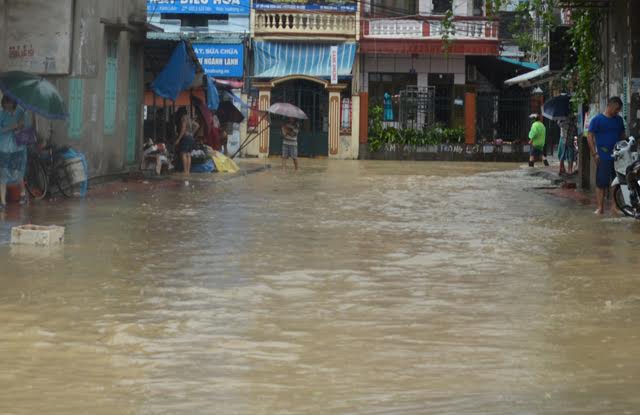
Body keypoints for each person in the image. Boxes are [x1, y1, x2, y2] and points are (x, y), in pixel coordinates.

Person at [588, 96, 626, 215]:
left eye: (619, 110)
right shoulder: (597, 120)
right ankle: (600, 208)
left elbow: (622, 136)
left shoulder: (619, 120)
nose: (617, 111)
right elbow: (590, 136)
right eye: (617, 109)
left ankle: (614, 207)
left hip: (617, 157)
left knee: (616, 182)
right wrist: (595, 154)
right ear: (610, 106)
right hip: (603, 157)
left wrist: (624, 151)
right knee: (601, 183)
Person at [0, 96, 29, 210]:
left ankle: (23, 193)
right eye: (6, 102)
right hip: (3, 148)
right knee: (2, 175)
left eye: (10, 102)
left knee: (18, 173)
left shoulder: (22, 113)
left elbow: (27, 129)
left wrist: (20, 127)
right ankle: (2, 202)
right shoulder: (1, 114)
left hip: (18, 149)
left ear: (14, 103)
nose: (8, 105)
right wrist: (9, 127)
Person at [175, 107, 199, 175]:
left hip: (185, 137)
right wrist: (192, 133)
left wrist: (178, 139)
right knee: (188, 154)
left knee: (183, 153)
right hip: (191, 137)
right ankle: (188, 171)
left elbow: (183, 128)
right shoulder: (189, 118)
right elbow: (197, 125)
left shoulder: (183, 118)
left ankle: (185, 171)